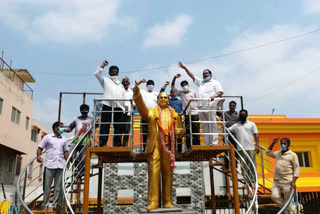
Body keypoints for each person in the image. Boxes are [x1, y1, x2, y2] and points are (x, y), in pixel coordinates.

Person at [133, 80, 185, 211]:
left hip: (169, 148)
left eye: (165, 97)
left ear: (168, 100)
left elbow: (180, 130)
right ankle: (153, 202)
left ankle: (167, 201)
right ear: (157, 100)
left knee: (168, 174)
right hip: (154, 147)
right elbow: (140, 107)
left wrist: (180, 132)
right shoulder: (151, 113)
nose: (163, 99)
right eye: (161, 97)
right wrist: (136, 91)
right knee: (154, 173)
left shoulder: (175, 114)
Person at [178, 61, 223, 145]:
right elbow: (192, 76)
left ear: (210, 74)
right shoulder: (201, 82)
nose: (205, 75)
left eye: (206, 73)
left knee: (212, 124)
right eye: (203, 73)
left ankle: (214, 142)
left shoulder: (215, 82)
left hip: (210, 106)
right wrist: (184, 68)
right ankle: (207, 142)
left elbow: (220, 92)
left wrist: (214, 96)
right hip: (201, 107)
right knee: (205, 125)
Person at [37, 121, 69, 213]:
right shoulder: (47, 137)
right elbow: (40, 148)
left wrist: (68, 162)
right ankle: (45, 206)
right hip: (50, 165)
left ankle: (56, 205)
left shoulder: (64, 139)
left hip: (60, 165)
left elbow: (65, 152)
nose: (63, 129)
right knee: (47, 186)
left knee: (58, 188)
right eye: (61, 127)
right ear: (56, 128)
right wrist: (39, 157)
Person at [95, 60, 125, 147]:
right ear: (109, 72)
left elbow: (124, 97)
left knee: (118, 127)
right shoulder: (105, 80)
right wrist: (103, 65)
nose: (115, 73)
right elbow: (97, 74)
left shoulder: (120, 85)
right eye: (113, 72)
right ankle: (103, 143)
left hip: (119, 107)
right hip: (107, 105)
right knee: (105, 125)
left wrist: (125, 108)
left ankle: (117, 144)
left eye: (116, 72)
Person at [59, 104, 94, 179]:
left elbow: (97, 127)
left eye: (85, 111)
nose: (84, 112)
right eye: (83, 111)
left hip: (86, 141)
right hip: (76, 140)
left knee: (83, 157)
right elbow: (70, 128)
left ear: (87, 111)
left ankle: (81, 171)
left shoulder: (92, 119)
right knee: (70, 154)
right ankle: (77, 167)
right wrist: (63, 130)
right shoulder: (77, 119)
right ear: (81, 111)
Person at [266, 137, 300, 214]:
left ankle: (287, 210)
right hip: (277, 181)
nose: (283, 145)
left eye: (284, 144)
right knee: (274, 196)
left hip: (288, 181)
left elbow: (296, 168)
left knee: (287, 200)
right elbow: (268, 152)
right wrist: (273, 143)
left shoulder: (292, 155)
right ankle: (287, 210)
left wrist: (294, 181)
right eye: (281, 144)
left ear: (288, 145)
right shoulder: (278, 153)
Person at [228, 109, 259, 182]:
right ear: (239, 116)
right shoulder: (236, 126)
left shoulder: (251, 124)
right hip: (240, 148)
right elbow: (227, 130)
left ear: (247, 115)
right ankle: (246, 179)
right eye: (241, 114)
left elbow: (256, 135)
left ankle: (253, 179)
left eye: (244, 114)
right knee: (243, 165)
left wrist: (257, 146)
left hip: (251, 147)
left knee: (252, 164)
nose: (242, 116)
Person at [171, 74, 200, 151]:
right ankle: (188, 146)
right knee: (187, 130)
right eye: (183, 85)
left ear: (188, 85)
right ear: (181, 87)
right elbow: (173, 88)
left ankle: (197, 145)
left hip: (195, 112)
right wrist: (174, 78)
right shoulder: (180, 93)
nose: (184, 86)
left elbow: (198, 101)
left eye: (185, 84)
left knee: (196, 129)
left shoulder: (193, 91)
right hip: (186, 114)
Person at [160, 80, 183, 152]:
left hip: (178, 118)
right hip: (169, 119)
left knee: (179, 133)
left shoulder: (180, 101)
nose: (173, 93)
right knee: (170, 134)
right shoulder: (168, 100)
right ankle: (169, 149)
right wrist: (165, 85)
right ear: (170, 94)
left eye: (174, 92)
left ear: (176, 93)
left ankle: (179, 149)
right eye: (171, 92)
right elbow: (161, 93)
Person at [138, 79, 158, 150]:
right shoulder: (143, 92)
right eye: (149, 84)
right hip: (145, 115)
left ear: (154, 85)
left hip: (154, 115)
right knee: (145, 132)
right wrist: (140, 82)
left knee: (155, 132)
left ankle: (155, 148)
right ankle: (145, 148)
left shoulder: (157, 94)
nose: (150, 85)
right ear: (146, 85)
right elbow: (134, 88)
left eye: (152, 84)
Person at [121, 76, 135, 146]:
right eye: (124, 82)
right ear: (122, 83)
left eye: (126, 82)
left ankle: (125, 144)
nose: (125, 83)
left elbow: (133, 101)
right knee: (119, 129)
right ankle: (118, 144)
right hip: (120, 111)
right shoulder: (119, 90)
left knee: (127, 129)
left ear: (129, 83)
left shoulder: (131, 91)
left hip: (129, 111)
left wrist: (134, 105)